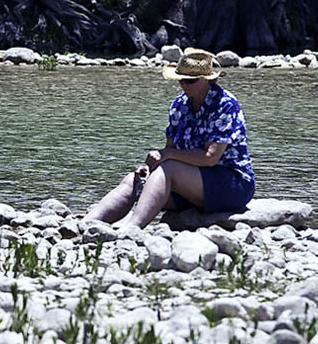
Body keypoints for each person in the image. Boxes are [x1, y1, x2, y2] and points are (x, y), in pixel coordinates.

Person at [85, 48, 255, 229]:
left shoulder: (224, 104)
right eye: (181, 79)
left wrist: (165, 155)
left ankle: (131, 229)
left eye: (191, 81)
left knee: (169, 169)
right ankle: (87, 223)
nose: (184, 85)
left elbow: (210, 158)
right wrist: (151, 167)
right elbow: (171, 149)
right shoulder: (179, 105)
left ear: (208, 80)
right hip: (191, 185)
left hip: (232, 184)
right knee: (134, 180)